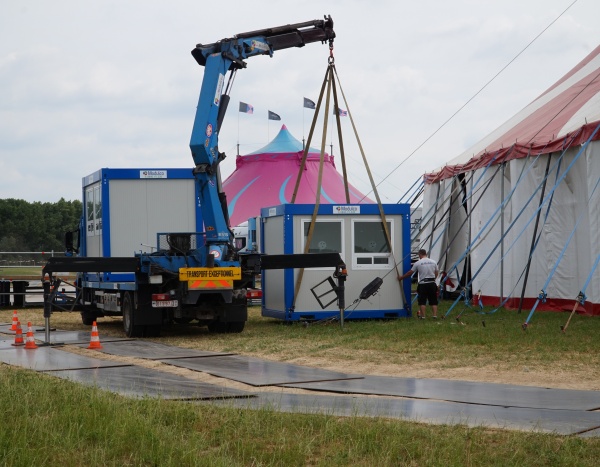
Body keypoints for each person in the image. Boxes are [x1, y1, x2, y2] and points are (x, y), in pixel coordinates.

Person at [398, 249, 439, 319]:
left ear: (420, 254)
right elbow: (436, 272)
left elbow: (410, 272)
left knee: (422, 301)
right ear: (425, 253)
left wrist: (401, 277)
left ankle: (423, 316)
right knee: (433, 300)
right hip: (432, 283)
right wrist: (433, 279)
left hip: (423, 283)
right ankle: (434, 315)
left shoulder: (418, 263)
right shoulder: (433, 262)